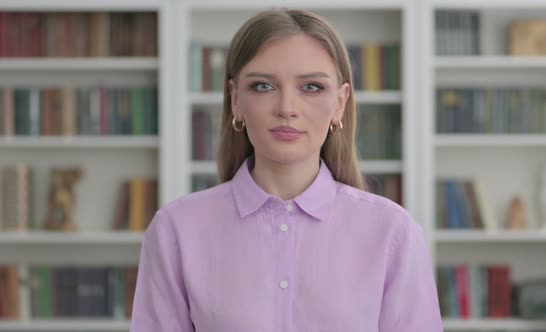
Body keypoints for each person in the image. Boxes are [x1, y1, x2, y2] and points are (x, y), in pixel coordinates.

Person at [130, 8, 442, 332]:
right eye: (264, 86)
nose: (287, 109)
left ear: (340, 102)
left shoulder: (393, 233)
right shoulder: (175, 231)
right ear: (236, 99)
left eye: (311, 87)